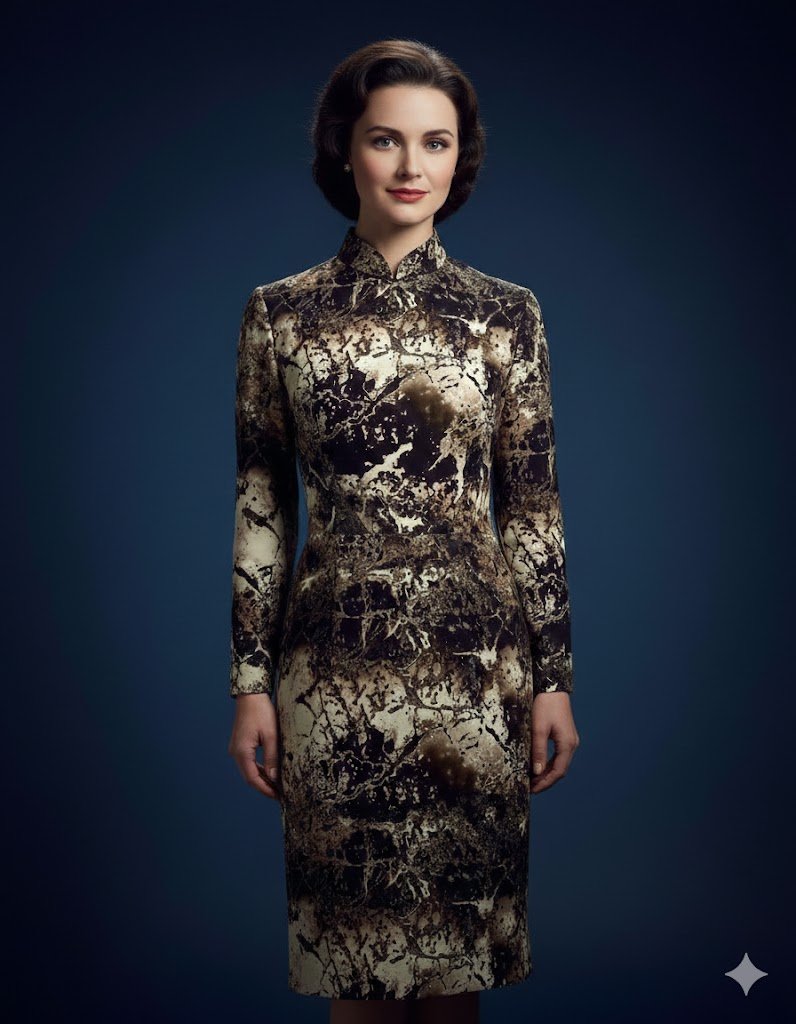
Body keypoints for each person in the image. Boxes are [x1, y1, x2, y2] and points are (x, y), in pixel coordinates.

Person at [227, 38, 580, 1024]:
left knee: (453, 974)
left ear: (460, 157)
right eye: (386, 139)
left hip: (477, 674)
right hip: (335, 672)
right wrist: (249, 683)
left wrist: (554, 678)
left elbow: (533, 509)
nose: (412, 165)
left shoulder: (505, 315)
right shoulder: (280, 315)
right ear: (346, 149)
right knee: (360, 972)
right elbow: (262, 508)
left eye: (436, 141)